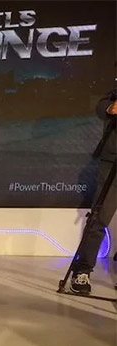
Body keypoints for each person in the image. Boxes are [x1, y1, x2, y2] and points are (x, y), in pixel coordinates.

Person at [71, 88, 116, 294]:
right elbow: (102, 105)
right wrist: (110, 108)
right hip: (112, 163)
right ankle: (82, 271)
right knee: (99, 218)